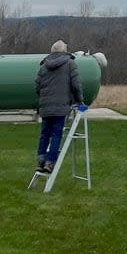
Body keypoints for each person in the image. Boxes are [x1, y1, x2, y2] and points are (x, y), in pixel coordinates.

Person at [34, 40, 85, 173]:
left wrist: (44, 99)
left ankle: (40, 161)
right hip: (61, 105)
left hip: (45, 107)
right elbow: (76, 84)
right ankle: (50, 162)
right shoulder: (70, 64)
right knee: (57, 133)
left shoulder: (44, 66)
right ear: (64, 50)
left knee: (45, 134)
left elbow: (37, 86)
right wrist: (80, 100)